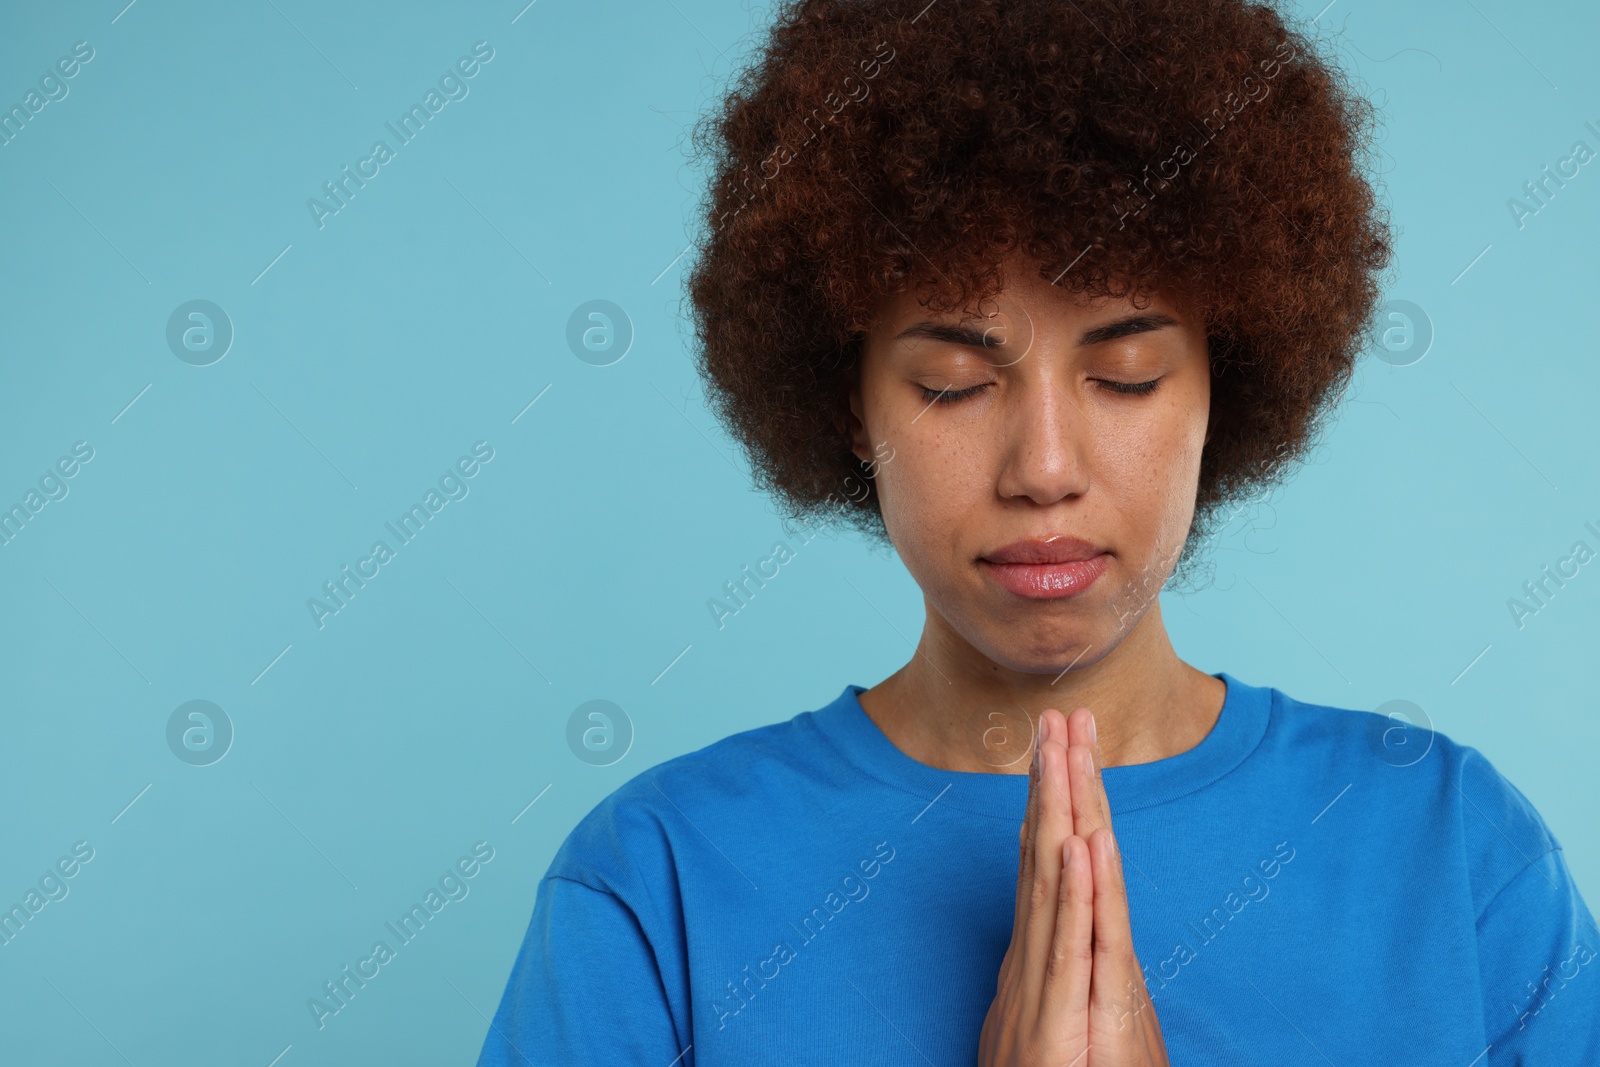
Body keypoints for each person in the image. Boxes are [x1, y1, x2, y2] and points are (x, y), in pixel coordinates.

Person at [477, 0, 1600, 1062]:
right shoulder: (657, 887)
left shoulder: (1453, 859)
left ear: (1227, 382)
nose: (1044, 468)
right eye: (954, 383)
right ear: (846, 404)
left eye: (1124, 374)